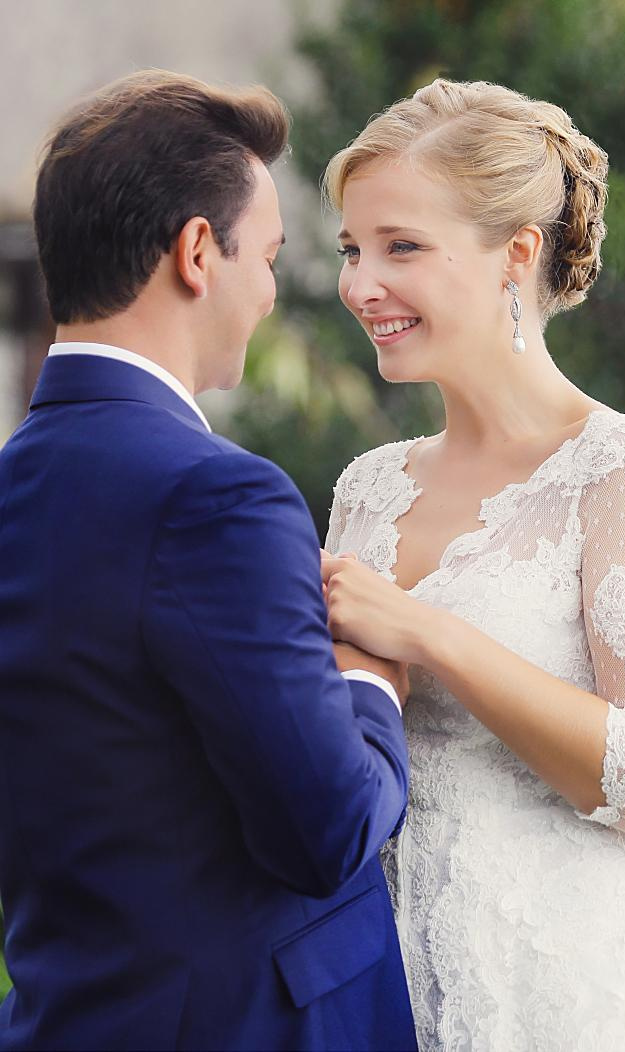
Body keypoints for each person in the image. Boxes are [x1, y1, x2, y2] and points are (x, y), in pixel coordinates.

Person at [0, 70, 417, 1051]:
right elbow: (327, 833)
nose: (269, 292)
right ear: (198, 251)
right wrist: (373, 682)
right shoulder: (219, 497)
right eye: (266, 257)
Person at [321, 78, 625, 1051]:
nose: (357, 283)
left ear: (515, 252)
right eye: (350, 248)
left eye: (399, 246)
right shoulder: (367, 487)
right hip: (389, 992)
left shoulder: (621, 469)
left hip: (576, 992)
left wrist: (430, 634)